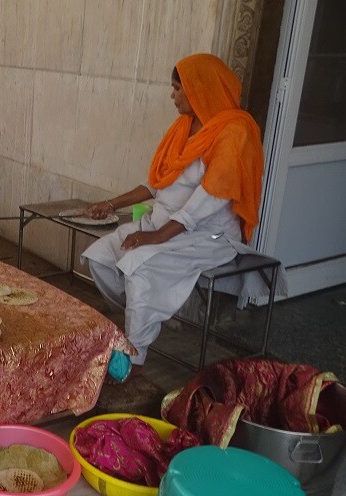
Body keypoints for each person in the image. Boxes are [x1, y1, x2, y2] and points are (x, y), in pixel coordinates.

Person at [80, 53, 264, 380]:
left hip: (206, 237)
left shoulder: (234, 132)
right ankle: (140, 320)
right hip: (161, 226)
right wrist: (112, 203)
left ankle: (133, 356)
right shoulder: (182, 127)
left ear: (200, 90)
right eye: (173, 88)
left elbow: (208, 200)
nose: (173, 96)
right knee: (100, 256)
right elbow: (156, 183)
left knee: (142, 266)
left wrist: (154, 237)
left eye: (178, 89)